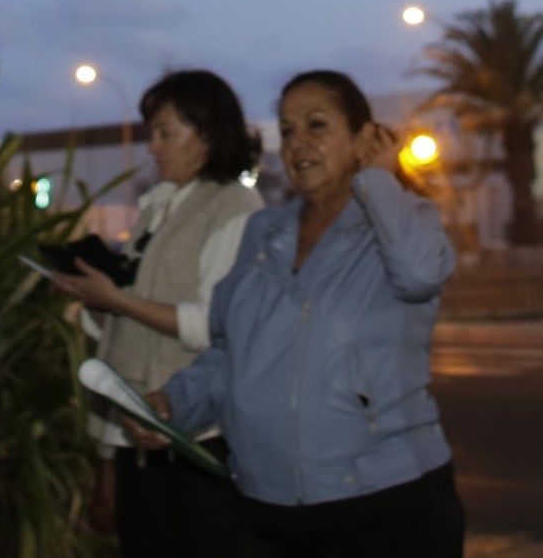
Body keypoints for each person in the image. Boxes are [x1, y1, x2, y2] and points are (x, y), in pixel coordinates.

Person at [150, 70, 463, 558]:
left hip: (387, 506)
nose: (298, 143)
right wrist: (173, 404)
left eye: (317, 125)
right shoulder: (263, 231)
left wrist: (379, 178)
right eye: (288, 129)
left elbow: (420, 275)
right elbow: (231, 351)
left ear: (363, 138)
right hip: (267, 510)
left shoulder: (401, 222)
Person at [47, 69, 263, 558]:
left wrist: (119, 300)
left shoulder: (235, 207)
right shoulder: (157, 204)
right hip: (136, 432)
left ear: (207, 134)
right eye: (152, 133)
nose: (153, 147)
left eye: (166, 132)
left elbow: (213, 324)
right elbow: (131, 327)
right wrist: (97, 302)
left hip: (197, 438)